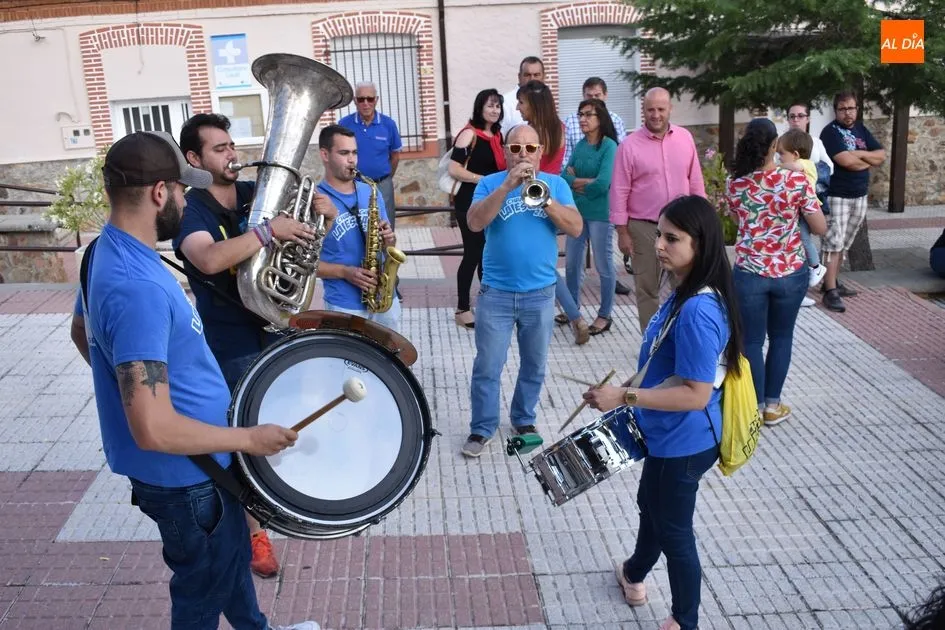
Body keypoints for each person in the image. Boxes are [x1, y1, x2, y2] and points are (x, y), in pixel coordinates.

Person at [69, 130, 318, 630]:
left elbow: (82, 332)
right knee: (201, 595)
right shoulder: (137, 287)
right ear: (160, 192)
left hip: (192, 467)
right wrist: (248, 438)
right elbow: (153, 429)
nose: (186, 201)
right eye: (182, 190)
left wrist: (132, 391)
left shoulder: (102, 252)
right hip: (188, 478)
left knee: (228, 563)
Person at [173, 113, 336, 578]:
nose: (232, 154)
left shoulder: (256, 194)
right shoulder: (191, 209)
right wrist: (267, 232)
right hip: (231, 340)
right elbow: (207, 258)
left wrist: (321, 219)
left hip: (276, 328)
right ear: (194, 159)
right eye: (219, 148)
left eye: (231, 145)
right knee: (244, 436)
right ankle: (254, 532)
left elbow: (301, 249)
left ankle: (287, 497)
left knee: (285, 417)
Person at [582, 195, 744, 630]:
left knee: (674, 530)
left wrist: (625, 398)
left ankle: (685, 621)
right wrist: (621, 388)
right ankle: (634, 573)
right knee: (651, 504)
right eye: (658, 234)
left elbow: (695, 394)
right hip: (670, 434)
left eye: (672, 238)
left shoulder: (699, 309)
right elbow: (664, 365)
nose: (658, 245)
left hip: (685, 440)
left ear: (700, 244)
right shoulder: (686, 291)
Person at [461, 125, 583, 457]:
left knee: (534, 364)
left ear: (541, 151)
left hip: (540, 294)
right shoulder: (490, 183)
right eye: (515, 148)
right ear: (505, 151)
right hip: (496, 293)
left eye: (530, 148)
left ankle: (523, 419)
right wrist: (506, 187)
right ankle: (482, 428)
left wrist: (546, 200)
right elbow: (474, 223)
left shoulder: (556, 184)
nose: (523, 154)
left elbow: (575, 228)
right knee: (488, 365)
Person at [725, 118, 826, 426]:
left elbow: (737, 221)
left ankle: (754, 407)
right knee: (781, 337)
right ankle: (773, 406)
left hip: (749, 273)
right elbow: (819, 227)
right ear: (774, 146)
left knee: (752, 341)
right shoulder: (796, 181)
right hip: (790, 272)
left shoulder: (735, 184)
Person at [610, 87, 706, 333]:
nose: (656, 115)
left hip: (682, 227)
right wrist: (622, 232)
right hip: (644, 228)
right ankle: (652, 342)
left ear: (670, 109)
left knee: (685, 286)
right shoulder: (629, 146)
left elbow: (695, 180)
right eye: (650, 109)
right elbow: (619, 190)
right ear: (643, 110)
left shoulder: (685, 138)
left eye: (661, 109)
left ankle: (683, 335)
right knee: (647, 289)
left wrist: (702, 221)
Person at [315, 125, 402, 332]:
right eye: (344, 153)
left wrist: (389, 240)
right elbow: (306, 265)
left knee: (391, 354)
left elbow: (388, 247)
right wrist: (345, 272)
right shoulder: (315, 199)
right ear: (325, 155)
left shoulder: (370, 191)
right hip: (343, 305)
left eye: (354, 153)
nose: (352, 160)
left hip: (384, 298)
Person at [555, 98, 619, 341]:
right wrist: (582, 183)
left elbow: (603, 183)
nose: (582, 119)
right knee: (572, 263)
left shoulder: (609, 146)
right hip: (577, 212)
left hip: (601, 213)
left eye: (588, 114)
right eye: (580, 114)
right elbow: (564, 176)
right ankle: (573, 309)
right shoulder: (581, 145)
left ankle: (605, 314)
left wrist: (578, 184)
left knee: (603, 265)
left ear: (600, 118)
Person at [818, 91, 886, 312]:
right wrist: (866, 157)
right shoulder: (830, 133)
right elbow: (846, 162)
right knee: (833, 243)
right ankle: (830, 291)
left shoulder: (860, 130)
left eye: (851, 108)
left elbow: (881, 155)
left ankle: (832, 282)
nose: (847, 113)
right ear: (836, 111)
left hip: (859, 195)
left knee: (844, 244)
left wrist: (857, 154)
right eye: (843, 109)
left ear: (857, 109)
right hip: (837, 196)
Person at [447, 88, 506, 329]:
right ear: (480, 108)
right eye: (490, 105)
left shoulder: (498, 135)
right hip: (469, 201)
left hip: (491, 201)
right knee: (472, 253)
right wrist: (481, 179)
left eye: (498, 106)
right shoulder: (469, 134)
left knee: (487, 254)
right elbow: (454, 168)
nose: (495, 110)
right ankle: (462, 308)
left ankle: (487, 302)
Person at [339, 81, 403, 230]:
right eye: (361, 99)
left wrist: (385, 178)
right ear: (355, 101)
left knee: (385, 228)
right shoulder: (344, 124)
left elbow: (395, 156)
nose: (366, 103)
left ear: (376, 100)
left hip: (382, 185)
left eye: (370, 99)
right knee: (357, 229)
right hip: (354, 186)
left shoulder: (389, 124)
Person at [776, 128, 827, 305]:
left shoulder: (806, 164)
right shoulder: (795, 166)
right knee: (796, 247)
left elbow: (795, 167)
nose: (779, 158)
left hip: (808, 209)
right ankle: (799, 290)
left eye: (782, 153)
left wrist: (777, 167)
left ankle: (816, 266)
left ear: (796, 154)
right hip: (800, 208)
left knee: (803, 239)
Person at [562, 77, 628, 165]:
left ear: (605, 95)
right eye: (589, 96)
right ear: (583, 96)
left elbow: (621, 154)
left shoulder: (616, 120)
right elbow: (565, 157)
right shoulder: (570, 122)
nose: (593, 99)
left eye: (597, 95)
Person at [516, 80, 566, 176]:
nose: (517, 107)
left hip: (533, 183)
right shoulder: (560, 127)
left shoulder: (530, 133)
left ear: (534, 105)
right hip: (553, 183)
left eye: (521, 102)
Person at [501, 56, 545, 140]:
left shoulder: (546, 101)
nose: (532, 79)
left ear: (543, 77)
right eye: (527, 75)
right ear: (519, 77)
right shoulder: (505, 103)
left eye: (536, 75)